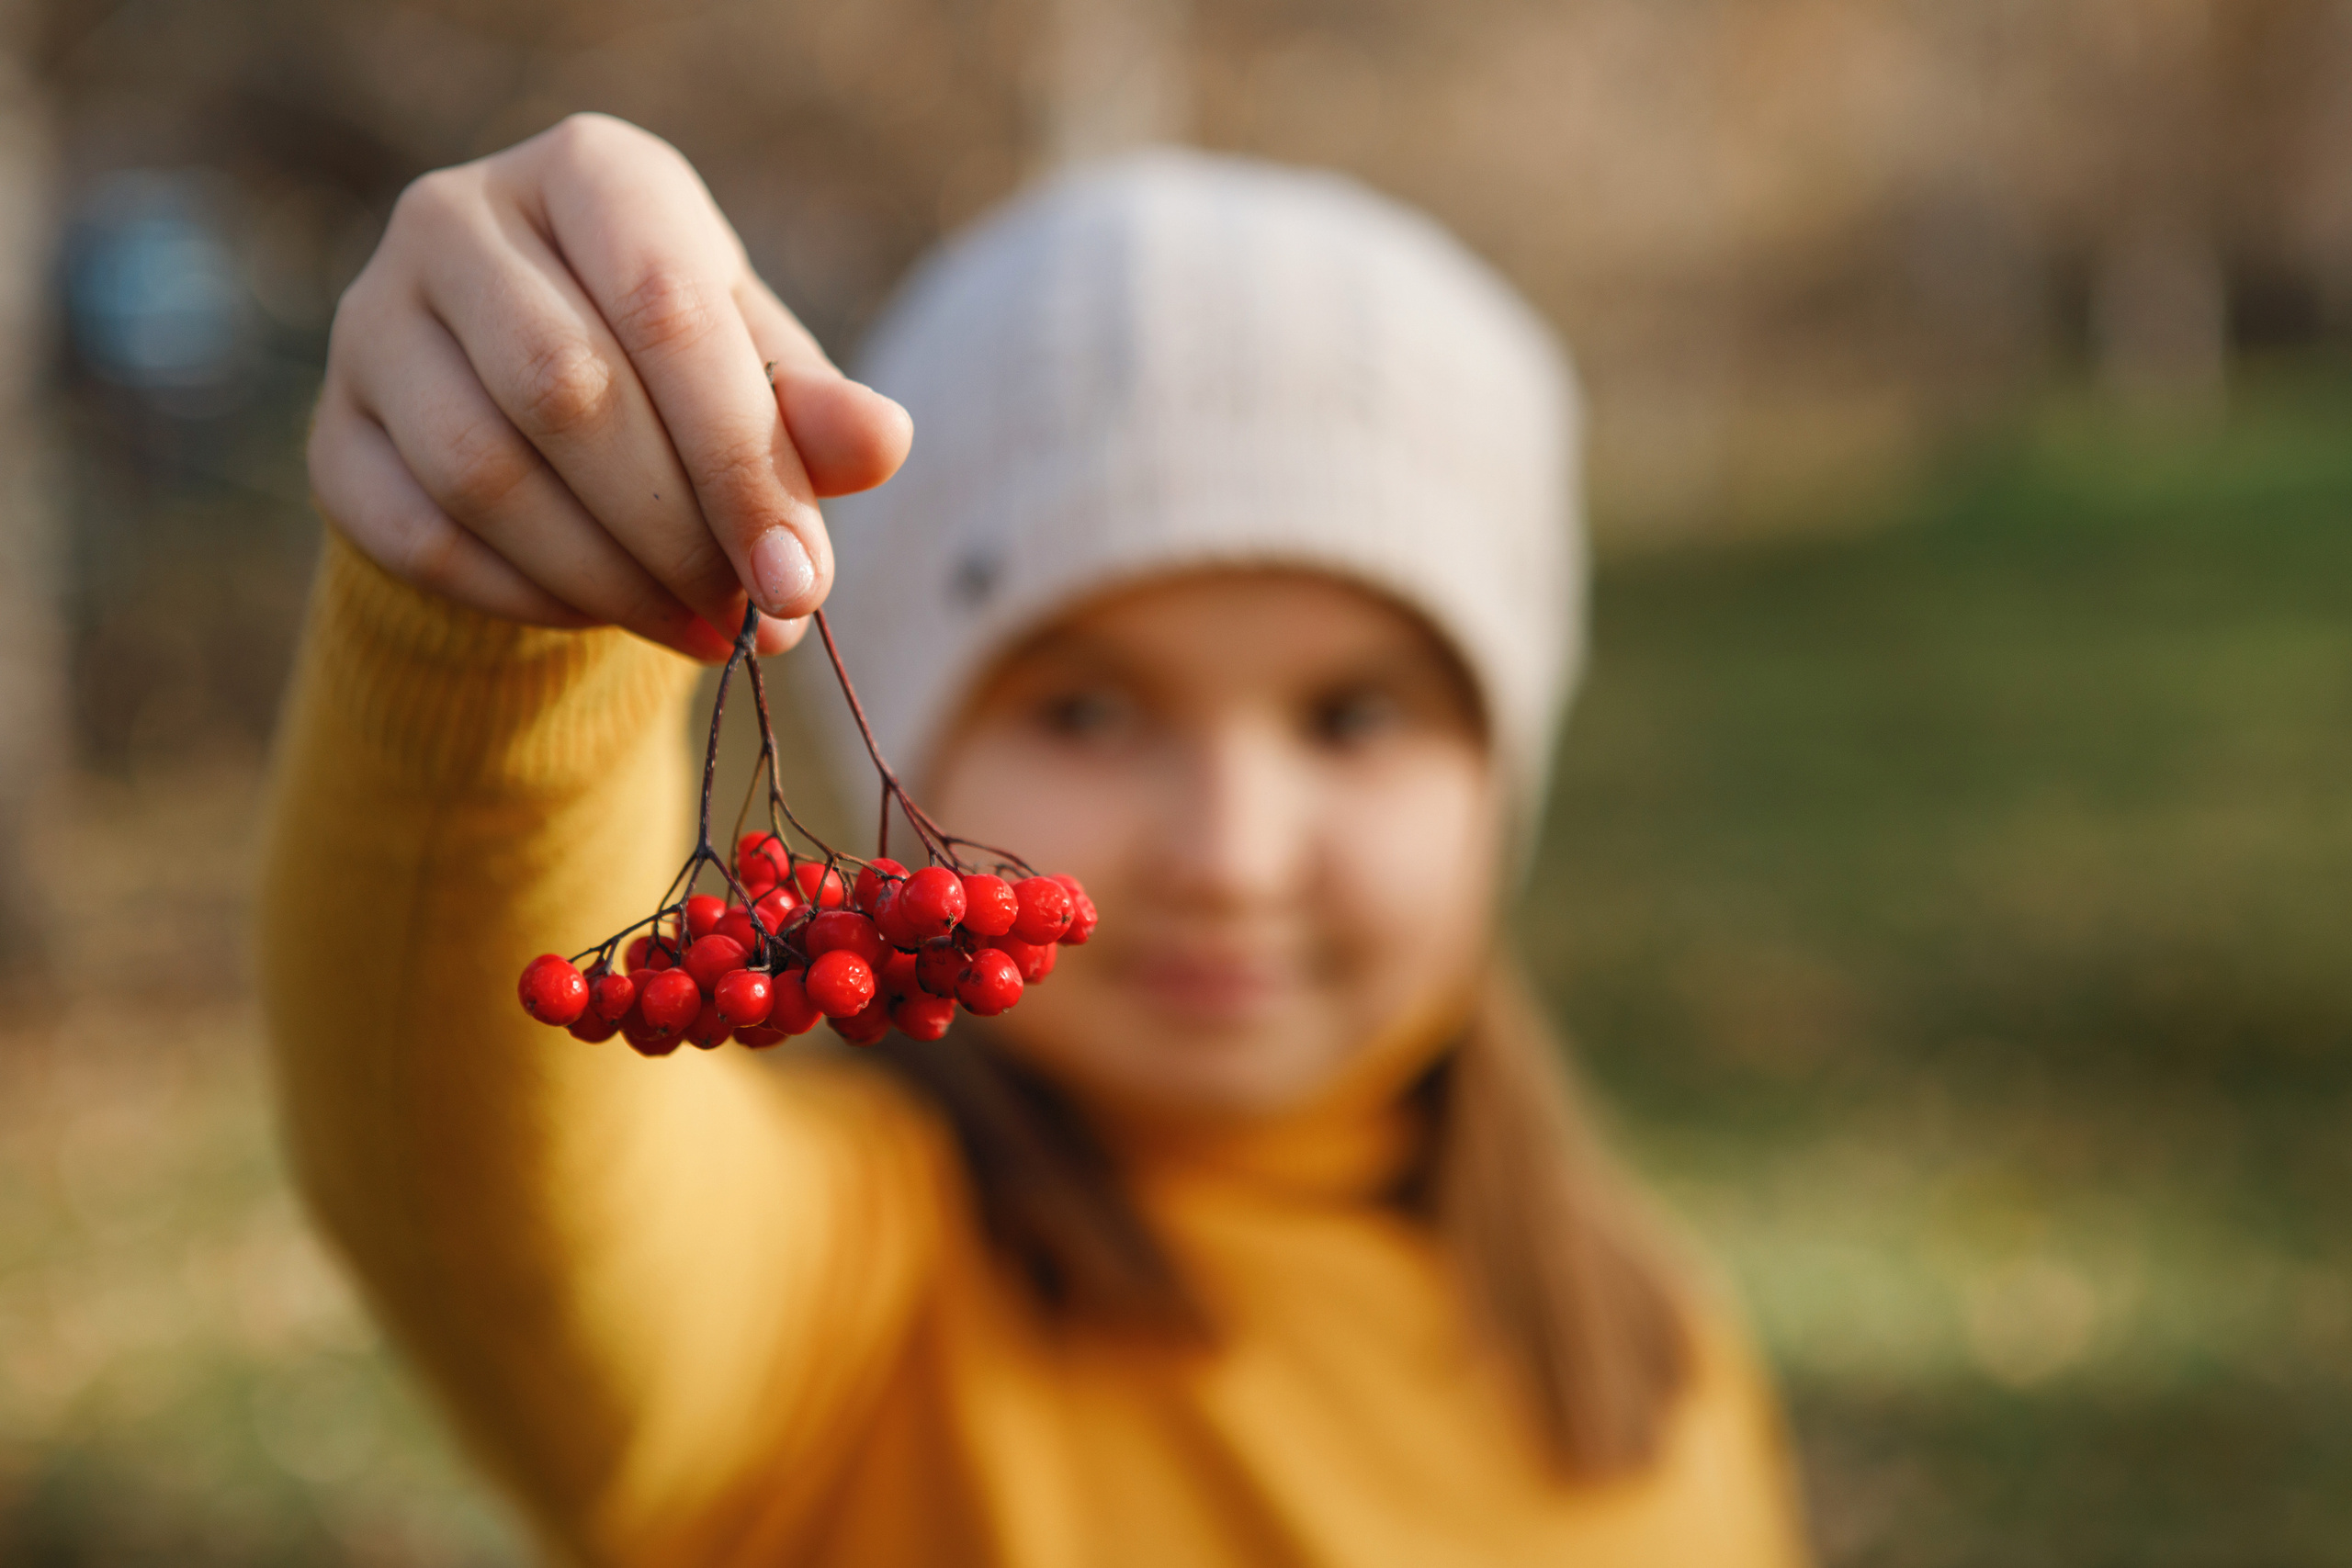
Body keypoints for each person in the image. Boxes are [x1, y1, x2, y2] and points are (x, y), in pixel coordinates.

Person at [262, 113, 1808, 1565]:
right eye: (1085, 712)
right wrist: (503, 631)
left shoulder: (1659, 1360)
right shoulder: (824, 1307)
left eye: (1351, 718)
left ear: (1502, 771)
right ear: (907, 760)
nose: (1230, 855)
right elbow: (466, 1149)